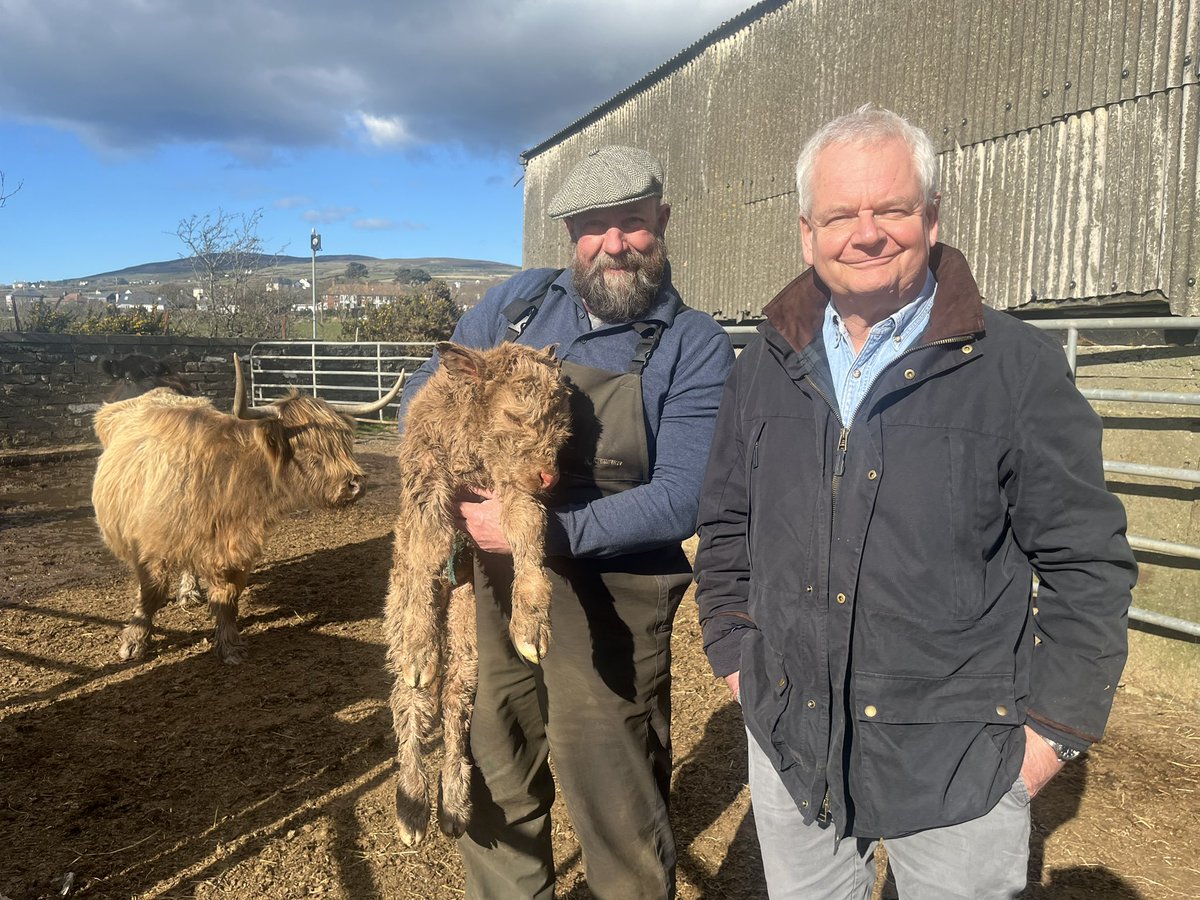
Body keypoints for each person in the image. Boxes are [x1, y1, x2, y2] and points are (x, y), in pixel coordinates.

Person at [694, 106, 1136, 899]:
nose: (866, 233)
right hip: (792, 740)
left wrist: (1046, 743)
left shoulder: (1014, 369)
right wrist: (736, 660)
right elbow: (726, 523)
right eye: (839, 215)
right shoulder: (764, 363)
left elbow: (1087, 564)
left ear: (931, 219)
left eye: (891, 209)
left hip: (959, 764)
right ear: (806, 233)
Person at [398, 145, 734, 899]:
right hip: (488, 583)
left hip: (610, 595)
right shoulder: (518, 304)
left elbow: (686, 494)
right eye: (593, 228)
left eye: (632, 224)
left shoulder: (693, 345)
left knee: (613, 796)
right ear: (570, 234)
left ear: (662, 223)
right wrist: (437, 466)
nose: (613, 244)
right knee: (494, 772)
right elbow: (425, 392)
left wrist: (542, 534)